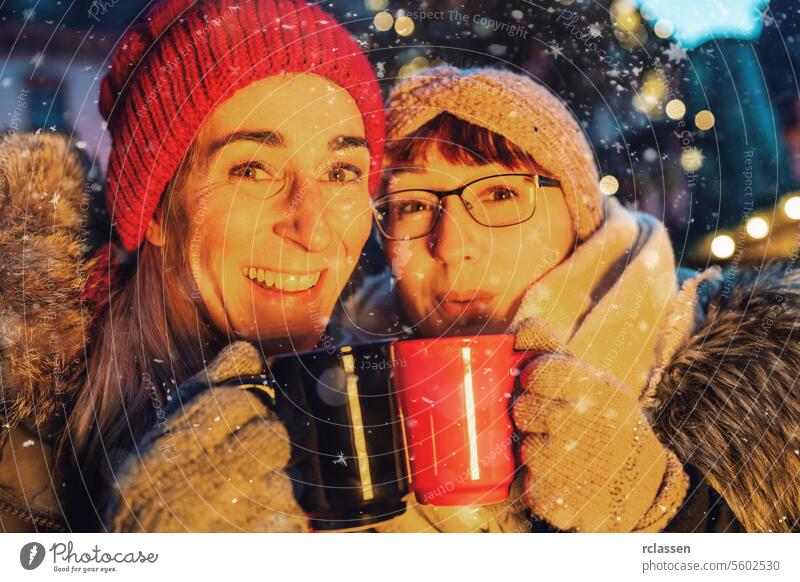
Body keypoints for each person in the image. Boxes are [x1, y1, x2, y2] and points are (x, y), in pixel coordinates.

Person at [347, 66, 799, 532]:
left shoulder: (768, 373)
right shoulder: (332, 414)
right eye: (413, 205)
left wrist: (659, 511)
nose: (452, 246)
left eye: (500, 193)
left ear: (579, 216)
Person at [0, 0, 384, 532]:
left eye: (342, 171)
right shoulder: (17, 448)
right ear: (156, 212)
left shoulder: (380, 412)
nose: (314, 229)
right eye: (252, 169)